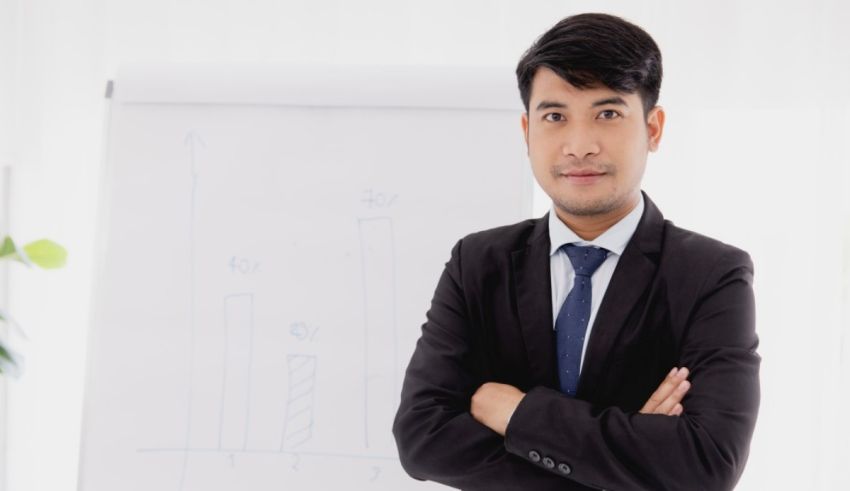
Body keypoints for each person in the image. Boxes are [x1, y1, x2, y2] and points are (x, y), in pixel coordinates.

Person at [392, 12, 760, 491]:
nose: (580, 145)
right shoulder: (478, 263)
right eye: (555, 116)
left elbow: (706, 466)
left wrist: (516, 412)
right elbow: (422, 440)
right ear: (527, 130)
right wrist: (632, 461)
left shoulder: (711, 274)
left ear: (653, 128)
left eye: (607, 113)